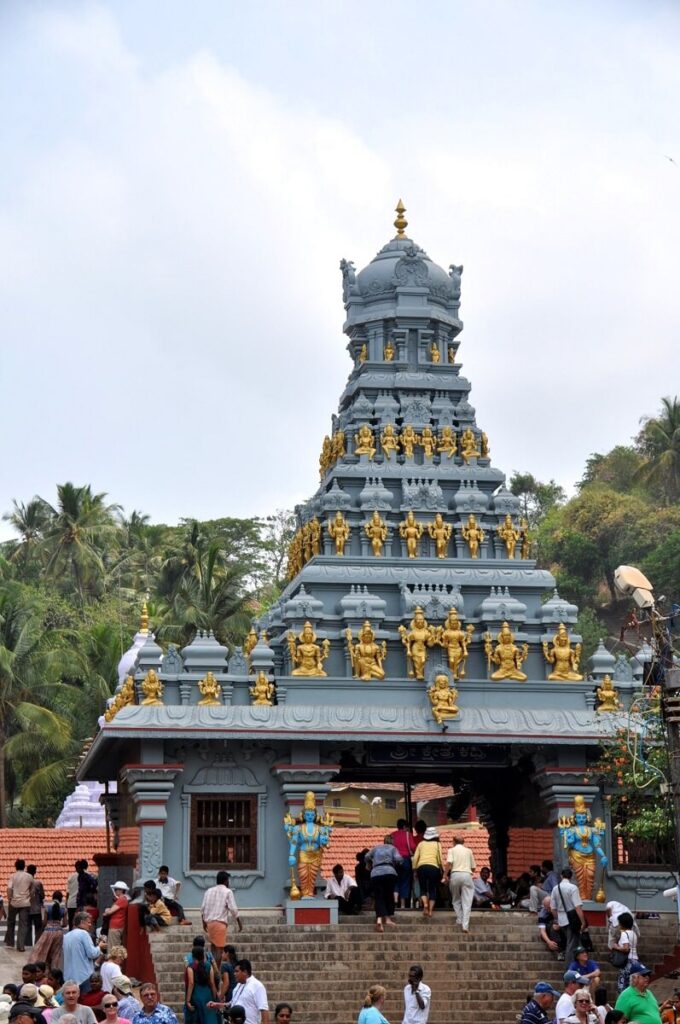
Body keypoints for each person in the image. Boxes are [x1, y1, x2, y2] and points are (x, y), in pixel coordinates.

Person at [201, 873, 242, 962]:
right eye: (228, 881)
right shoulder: (228, 891)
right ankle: (216, 972)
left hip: (210, 924)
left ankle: (212, 970)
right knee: (219, 950)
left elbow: (203, 908)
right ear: (225, 881)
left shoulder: (209, 891)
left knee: (213, 948)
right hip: (220, 924)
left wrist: (204, 923)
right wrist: (239, 922)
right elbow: (233, 909)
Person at [551, 869, 588, 966]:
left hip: (562, 919)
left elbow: (553, 908)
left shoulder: (556, 888)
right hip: (573, 920)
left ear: (561, 876)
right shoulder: (573, 888)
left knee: (571, 943)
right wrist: (583, 922)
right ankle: (569, 969)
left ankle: (575, 966)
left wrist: (558, 919)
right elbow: (577, 907)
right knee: (571, 945)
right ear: (571, 877)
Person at [213, 960, 268, 1024]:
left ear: (245, 972)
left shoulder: (257, 986)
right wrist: (216, 1005)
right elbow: (232, 1004)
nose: (234, 974)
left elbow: (264, 1009)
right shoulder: (238, 985)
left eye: (237, 971)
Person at [62, 913, 105, 994]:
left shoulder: (66, 936)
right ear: (82, 922)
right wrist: (100, 946)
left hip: (69, 977)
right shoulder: (84, 934)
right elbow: (92, 954)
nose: (90, 925)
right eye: (88, 922)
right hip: (84, 977)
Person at [367, 839, 402, 933]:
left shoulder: (376, 848)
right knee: (388, 896)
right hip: (389, 873)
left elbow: (366, 856)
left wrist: (370, 863)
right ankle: (387, 919)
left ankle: (379, 920)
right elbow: (399, 859)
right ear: (392, 842)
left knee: (379, 897)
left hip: (375, 874)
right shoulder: (393, 848)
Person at [446, 835, 476, 933]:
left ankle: (459, 919)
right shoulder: (469, 851)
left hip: (455, 875)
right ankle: (465, 925)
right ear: (463, 842)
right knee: (467, 902)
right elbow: (473, 868)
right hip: (467, 875)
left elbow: (449, 863)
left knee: (456, 899)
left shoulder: (451, 850)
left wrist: (445, 874)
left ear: (454, 842)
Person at [412, 829, 443, 920]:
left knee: (423, 888)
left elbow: (415, 858)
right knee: (432, 889)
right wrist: (443, 871)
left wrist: (414, 869)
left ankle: (425, 904)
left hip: (421, 867)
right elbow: (440, 859)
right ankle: (430, 911)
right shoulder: (437, 844)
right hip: (434, 868)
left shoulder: (421, 844)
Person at [185, 945, 219, 1024]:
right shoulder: (208, 965)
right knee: (209, 1018)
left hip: (196, 995)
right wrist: (214, 997)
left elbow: (191, 983)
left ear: (193, 956)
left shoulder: (191, 967)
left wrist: (188, 1000)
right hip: (207, 994)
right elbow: (212, 983)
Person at [5, 860, 34, 952]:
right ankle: (21, 946)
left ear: (15, 866)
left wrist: (10, 899)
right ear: (24, 866)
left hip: (14, 902)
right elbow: (32, 891)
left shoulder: (13, 876)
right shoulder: (29, 876)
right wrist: (29, 899)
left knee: (11, 922)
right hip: (25, 903)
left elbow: (9, 889)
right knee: (23, 924)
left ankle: (10, 942)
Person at [32, 895, 66, 973]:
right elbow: (65, 924)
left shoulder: (47, 909)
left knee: (45, 952)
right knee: (56, 954)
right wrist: (58, 925)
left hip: (47, 931)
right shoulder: (64, 910)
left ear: (52, 898)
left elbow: (44, 923)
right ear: (61, 900)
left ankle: (46, 972)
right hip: (58, 932)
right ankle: (54, 972)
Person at [390, 821, 416, 910]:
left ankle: (395, 901)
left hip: (394, 861)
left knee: (395, 880)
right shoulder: (408, 835)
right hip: (405, 860)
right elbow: (413, 847)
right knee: (405, 881)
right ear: (404, 826)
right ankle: (402, 905)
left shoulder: (392, 835)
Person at [102, 884, 129, 948]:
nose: (115, 891)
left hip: (115, 926)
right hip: (117, 925)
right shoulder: (123, 899)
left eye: (116, 889)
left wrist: (106, 911)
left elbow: (109, 912)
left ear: (121, 890)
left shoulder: (121, 900)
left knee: (113, 947)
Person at [27, 869, 45, 947]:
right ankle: (38, 944)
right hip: (37, 909)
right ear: (35, 872)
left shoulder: (25, 884)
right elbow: (43, 896)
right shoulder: (38, 883)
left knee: (27, 928)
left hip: (27, 909)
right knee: (38, 929)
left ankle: (27, 945)